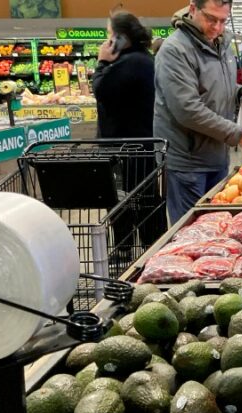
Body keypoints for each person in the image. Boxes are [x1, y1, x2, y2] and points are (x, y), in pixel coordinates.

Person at [154, 0, 242, 224]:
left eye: (223, 20)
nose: (217, 27)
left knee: (216, 227)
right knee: (192, 232)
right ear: (193, 8)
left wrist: (239, 91)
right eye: (210, 18)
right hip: (187, 161)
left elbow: (213, 87)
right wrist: (241, 135)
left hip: (216, 153)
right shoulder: (175, 50)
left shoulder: (220, 44)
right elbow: (188, 109)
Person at [92, 11, 162, 259]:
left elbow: (102, 90)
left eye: (109, 35)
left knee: (133, 200)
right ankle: (146, 249)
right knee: (137, 200)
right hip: (134, 145)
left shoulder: (132, 63)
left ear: (121, 38)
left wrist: (102, 62)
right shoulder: (139, 60)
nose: (107, 41)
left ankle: (138, 251)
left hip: (128, 147)